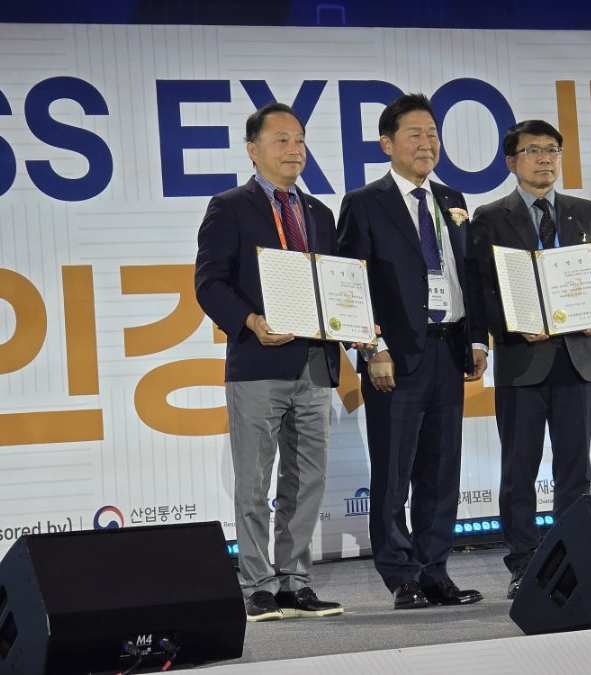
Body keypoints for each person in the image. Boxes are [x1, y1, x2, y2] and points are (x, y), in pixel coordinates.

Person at [337, 93, 489, 610]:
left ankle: (435, 570)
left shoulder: (451, 198)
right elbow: (350, 283)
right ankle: (401, 575)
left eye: (433, 134)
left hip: (449, 350)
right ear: (387, 144)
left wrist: (476, 338)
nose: (427, 144)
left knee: (441, 470)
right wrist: (371, 347)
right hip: (394, 357)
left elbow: (468, 274)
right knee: (393, 472)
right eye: (415, 135)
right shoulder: (365, 202)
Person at [194, 102, 343, 621]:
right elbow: (209, 283)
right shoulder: (229, 207)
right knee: (255, 481)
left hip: (315, 363)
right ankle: (257, 583)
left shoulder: (319, 213)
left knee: (307, 478)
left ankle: (295, 582)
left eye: (300, 140)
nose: (294, 149)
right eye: (281, 140)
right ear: (253, 150)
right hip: (258, 362)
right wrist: (252, 321)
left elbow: (336, 286)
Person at [471, 119, 591, 600]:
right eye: (533, 150)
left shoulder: (585, 212)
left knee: (575, 468)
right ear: (511, 161)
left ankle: (571, 560)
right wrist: (511, 326)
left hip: (576, 357)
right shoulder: (490, 217)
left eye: (553, 150)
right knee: (519, 468)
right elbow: (481, 289)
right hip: (523, 359)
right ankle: (523, 563)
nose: (545, 159)